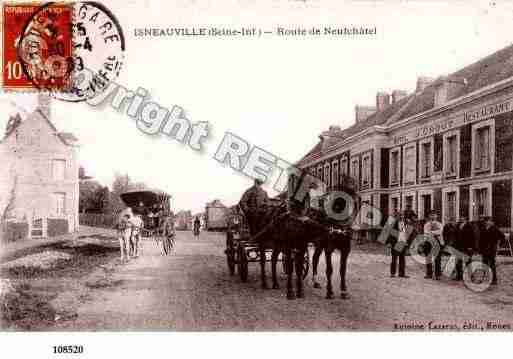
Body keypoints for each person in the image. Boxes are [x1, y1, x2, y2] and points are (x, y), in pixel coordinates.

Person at [480, 216, 504, 285]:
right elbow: (481, 240)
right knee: (484, 264)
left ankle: (494, 280)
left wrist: (498, 246)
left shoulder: (495, 229)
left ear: (491, 222)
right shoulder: (483, 229)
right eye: (485, 221)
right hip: (484, 249)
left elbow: (502, 237)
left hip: (491, 249)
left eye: (488, 221)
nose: (486, 222)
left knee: (492, 264)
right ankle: (486, 278)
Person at [386, 210, 409, 278]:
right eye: (400, 215)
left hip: (402, 242)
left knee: (402, 258)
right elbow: (389, 234)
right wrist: (389, 243)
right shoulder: (393, 223)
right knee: (394, 258)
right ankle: (393, 273)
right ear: (397, 216)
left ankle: (402, 273)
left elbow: (406, 232)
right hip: (395, 242)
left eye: (403, 215)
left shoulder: (405, 222)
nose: (402, 217)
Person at [453, 216, 475, 281]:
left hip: (467, 247)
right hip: (458, 247)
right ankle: (459, 276)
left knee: (468, 262)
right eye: (460, 217)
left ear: (465, 218)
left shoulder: (470, 226)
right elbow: (455, 236)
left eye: (462, 217)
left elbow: (473, 237)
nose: (461, 218)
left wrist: (471, 246)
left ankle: (471, 276)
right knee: (458, 262)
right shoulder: (457, 225)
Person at [424, 211, 444, 280]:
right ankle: (429, 273)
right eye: (431, 215)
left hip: (437, 242)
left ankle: (438, 274)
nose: (432, 217)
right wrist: (434, 232)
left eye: (434, 215)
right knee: (428, 258)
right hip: (428, 242)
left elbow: (440, 231)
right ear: (429, 216)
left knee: (437, 258)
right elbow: (426, 232)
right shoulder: (426, 224)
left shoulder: (439, 224)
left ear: (436, 216)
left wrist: (431, 232)